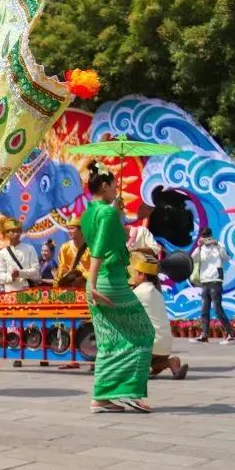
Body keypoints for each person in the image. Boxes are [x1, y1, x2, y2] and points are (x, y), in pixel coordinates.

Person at [80, 161, 154, 413]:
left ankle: (101, 396)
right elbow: (100, 248)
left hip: (99, 281)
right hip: (108, 280)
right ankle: (131, 392)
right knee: (143, 333)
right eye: (113, 185)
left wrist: (119, 213)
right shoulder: (108, 213)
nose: (116, 189)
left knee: (109, 340)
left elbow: (109, 238)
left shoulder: (89, 211)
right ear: (104, 185)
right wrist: (92, 282)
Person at [129, 252, 188, 380]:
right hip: (164, 347)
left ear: (141, 275)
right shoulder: (155, 292)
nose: (131, 276)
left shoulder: (139, 292)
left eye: (134, 273)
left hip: (150, 347)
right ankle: (170, 362)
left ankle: (139, 367)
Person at [192, 227, 235, 344]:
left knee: (217, 309)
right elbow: (193, 259)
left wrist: (217, 245)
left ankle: (231, 334)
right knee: (204, 310)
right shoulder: (200, 248)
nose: (206, 239)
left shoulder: (218, 245)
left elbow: (226, 258)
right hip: (204, 281)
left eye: (207, 237)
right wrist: (199, 246)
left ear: (211, 236)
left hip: (215, 280)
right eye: (203, 237)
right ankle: (204, 335)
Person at [0, 219, 40, 292]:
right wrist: (11, 276)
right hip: (9, 293)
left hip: (27, 291)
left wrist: (19, 273)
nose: (16, 234)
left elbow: (36, 271)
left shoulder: (29, 249)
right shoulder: (2, 253)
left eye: (18, 231)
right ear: (6, 233)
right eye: (13, 231)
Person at [55, 217, 89, 288]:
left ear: (82, 230)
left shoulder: (91, 248)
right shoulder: (65, 247)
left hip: (87, 285)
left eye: (72, 228)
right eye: (68, 229)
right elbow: (62, 267)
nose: (69, 231)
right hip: (70, 285)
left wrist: (82, 277)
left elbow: (97, 270)